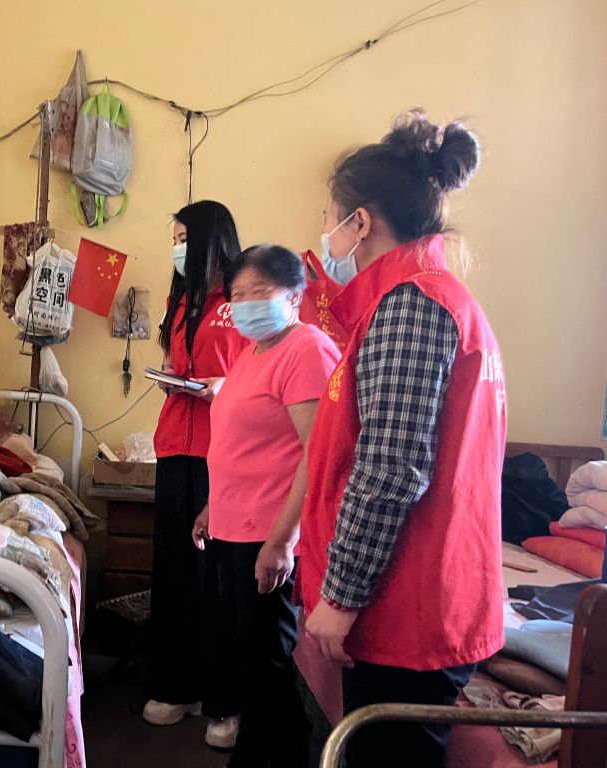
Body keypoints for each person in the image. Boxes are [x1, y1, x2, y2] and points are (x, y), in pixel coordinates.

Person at [298, 109, 507, 768]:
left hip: (407, 606)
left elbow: (390, 468)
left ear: (361, 223)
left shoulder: (412, 304)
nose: (324, 232)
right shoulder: (424, 299)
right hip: (414, 597)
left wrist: (340, 596)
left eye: (329, 217)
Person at [191, 244, 340, 768]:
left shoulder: (307, 349)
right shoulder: (254, 352)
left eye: (260, 291)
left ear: (295, 295)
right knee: (247, 657)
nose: (247, 303)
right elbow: (242, 444)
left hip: (267, 533)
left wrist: (283, 540)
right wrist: (211, 507)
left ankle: (272, 758)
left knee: (266, 663)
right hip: (233, 526)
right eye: (238, 295)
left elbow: (317, 453)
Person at [144, 200, 247, 749]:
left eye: (185, 238)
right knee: (173, 569)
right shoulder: (180, 300)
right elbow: (181, 361)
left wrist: (224, 387)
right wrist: (172, 375)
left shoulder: (242, 302)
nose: (178, 249)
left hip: (223, 452)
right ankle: (176, 686)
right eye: (175, 239)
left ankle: (224, 701)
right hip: (174, 446)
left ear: (211, 239)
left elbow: (258, 372)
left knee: (216, 579)